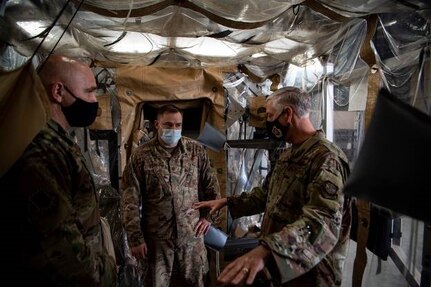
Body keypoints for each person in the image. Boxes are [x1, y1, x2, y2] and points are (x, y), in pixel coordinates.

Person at [194, 86, 352, 286]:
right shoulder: (288, 154)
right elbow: (266, 195)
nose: (268, 123)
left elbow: (323, 221)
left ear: (287, 114)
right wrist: (227, 202)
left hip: (311, 273)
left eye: (270, 115)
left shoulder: (326, 159)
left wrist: (266, 250)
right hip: (280, 267)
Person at [0, 55, 117, 286]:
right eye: (89, 92)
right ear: (58, 92)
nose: (94, 101)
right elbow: (60, 252)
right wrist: (107, 270)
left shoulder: (58, 142)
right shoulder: (42, 151)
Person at [121, 104, 221, 287]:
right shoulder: (140, 156)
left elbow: (212, 189)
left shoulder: (196, 151)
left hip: (191, 237)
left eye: (178, 125)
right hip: (157, 241)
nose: (173, 129)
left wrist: (208, 218)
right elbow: (130, 200)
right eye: (168, 125)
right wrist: (135, 238)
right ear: (157, 124)